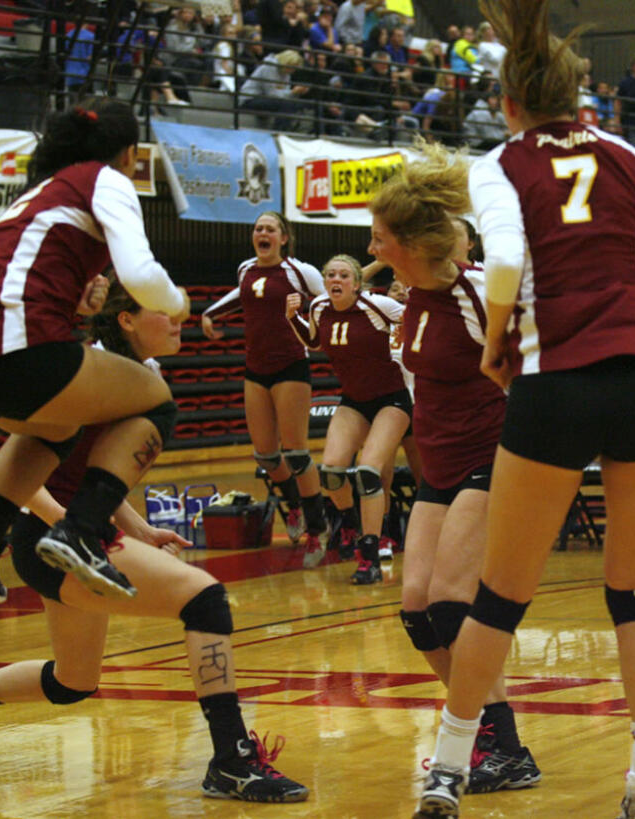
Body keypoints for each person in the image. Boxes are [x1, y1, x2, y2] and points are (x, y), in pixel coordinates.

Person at [412, 1, 635, 816]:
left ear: (509, 102)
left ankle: (447, 771)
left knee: (501, 595)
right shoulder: (630, 155)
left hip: (557, 379)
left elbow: (503, 256)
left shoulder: (501, 161)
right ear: (582, 99)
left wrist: (496, 338)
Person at [0, 279, 308, 804]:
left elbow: (96, 473)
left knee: (73, 681)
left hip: (76, 532)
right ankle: (231, 760)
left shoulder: (140, 376)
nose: (177, 321)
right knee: (205, 599)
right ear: (125, 319)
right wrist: (68, 529)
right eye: (164, 311)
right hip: (53, 535)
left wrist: (139, 527)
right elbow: (25, 472)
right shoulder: (79, 373)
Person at [0, 98, 190, 606]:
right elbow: (140, 275)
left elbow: (14, 279)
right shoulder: (104, 179)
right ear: (128, 153)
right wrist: (177, 302)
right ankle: (82, 529)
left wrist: (78, 303)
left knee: (58, 427)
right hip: (19, 347)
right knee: (155, 400)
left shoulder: (39, 193)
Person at [369, 182, 542, 796]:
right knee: (417, 610)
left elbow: (526, 373)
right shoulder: (411, 293)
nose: (372, 241)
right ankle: (485, 733)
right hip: (438, 466)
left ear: (412, 244)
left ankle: (501, 744)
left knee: (450, 601)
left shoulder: (474, 291)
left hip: (491, 457)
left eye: (381, 233)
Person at [201, 212, 330, 563]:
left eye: (270, 229)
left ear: (283, 238)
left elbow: (325, 305)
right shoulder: (246, 269)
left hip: (290, 365)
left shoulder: (300, 272)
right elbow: (240, 296)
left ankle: (318, 530)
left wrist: (310, 324)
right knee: (267, 456)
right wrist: (210, 314)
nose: (262, 233)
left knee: (297, 454)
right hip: (255, 369)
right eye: (258, 228)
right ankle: (295, 509)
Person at [285, 254, 409, 584]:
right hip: (354, 401)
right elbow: (313, 341)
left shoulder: (379, 305)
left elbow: (420, 322)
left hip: (393, 399)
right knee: (332, 473)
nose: (335, 280)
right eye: (330, 275)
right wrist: (291, 317)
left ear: (357, 283)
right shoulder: (319, 308)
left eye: (343, 275)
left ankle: (368, 555)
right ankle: (350, 521)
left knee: (368, 473)